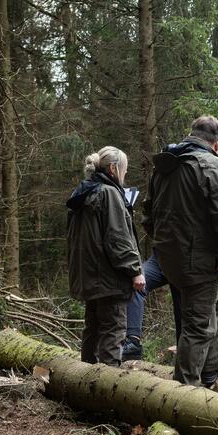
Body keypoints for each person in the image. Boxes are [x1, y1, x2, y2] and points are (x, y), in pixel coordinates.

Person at [143, 115, 218, 387]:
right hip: (197, 260)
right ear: (217, 143)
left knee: (216, 297)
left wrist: (168, 246)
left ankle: (213, 365)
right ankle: (183, 390)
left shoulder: (166, 166)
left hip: (171, 258)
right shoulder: (212, 166)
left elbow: (148, 215)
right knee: (198, 327)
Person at [67, 146, 145, 367]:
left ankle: (84, 382)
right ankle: (106, 388)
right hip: (109, 278)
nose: (125, 175)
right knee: (113, 330)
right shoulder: (109, 193)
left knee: (92, 329)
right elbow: (118, 238)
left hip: (89, 276)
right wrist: (134, 270)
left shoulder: (82, 192)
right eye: (124, 170)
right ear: (113, 168)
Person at [122, 250, 181, 361]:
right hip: (161, 257)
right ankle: (133, 343)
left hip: (185, 262)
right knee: (135, 281)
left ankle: (186, 355)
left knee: (183, 310)